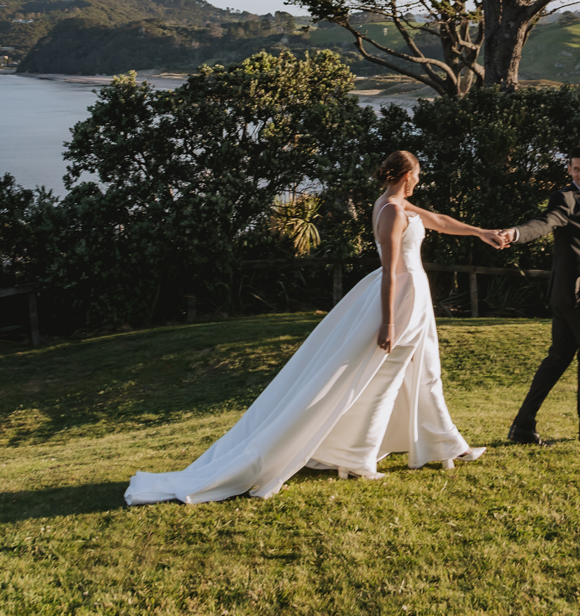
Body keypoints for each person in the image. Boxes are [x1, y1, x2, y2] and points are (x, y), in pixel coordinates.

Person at [124, 150, 505, 503]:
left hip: (415, 297)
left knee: (424, 373)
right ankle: (358, 458)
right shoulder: (390, 210)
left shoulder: (400, 204)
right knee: (384, 382)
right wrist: (388, 321)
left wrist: (481, 232)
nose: (419, 180)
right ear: (406, 174)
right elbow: (391, 271)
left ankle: (445, 445)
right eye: (418, 174)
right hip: (401, 299)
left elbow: (437, 220)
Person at [499, 145, 580, 445]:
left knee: (558, 358)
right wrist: (516, 233)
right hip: (578, 294)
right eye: (576, 168)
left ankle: (523, 426)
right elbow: (545, 223)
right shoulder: (564, 198)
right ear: (569, 170)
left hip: (577, 291)